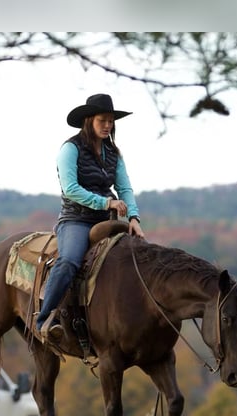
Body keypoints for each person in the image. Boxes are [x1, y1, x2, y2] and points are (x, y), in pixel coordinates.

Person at [35, 93, 145, 342]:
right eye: (102, 120)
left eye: (110, 121)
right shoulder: (70, 149)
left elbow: (125, 188)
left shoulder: (113, 153)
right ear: (89, 120)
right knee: (70, 261)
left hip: (106, 219)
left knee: (137, 258)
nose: (108, 125)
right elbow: (70, 189)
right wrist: (105, 201)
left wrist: (135, 219)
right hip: (76, 219)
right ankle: (44, 320)